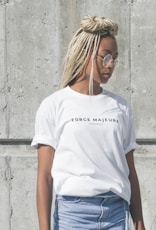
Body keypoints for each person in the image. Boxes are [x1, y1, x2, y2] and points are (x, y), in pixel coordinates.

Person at [32, 15, 145, 230]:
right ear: (85, 54)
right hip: (73, 215)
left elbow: (130, 172)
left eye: (115, 58)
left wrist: (139, 223)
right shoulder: (54, 104)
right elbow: (45, 175)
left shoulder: (121, 107)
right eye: (105, 57)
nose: (111, 64)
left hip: (116, 213)